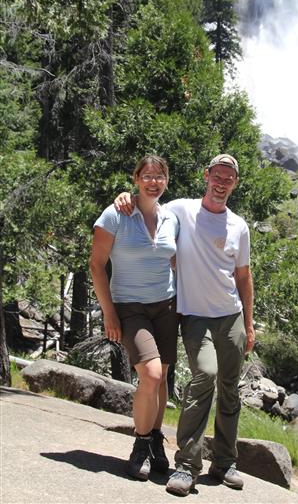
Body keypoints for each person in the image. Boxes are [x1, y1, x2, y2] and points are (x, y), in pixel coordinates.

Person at [114, 154, 255, 496]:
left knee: (230, 388)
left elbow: (243, 276)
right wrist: (126, 197)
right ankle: (187, 465)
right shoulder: (181, 209)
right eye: (217, 176)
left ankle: (225, 462)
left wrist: (249, 325)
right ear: (206, 176)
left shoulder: (238, 226)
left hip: (231, 316)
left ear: (235, 183)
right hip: (195, 316)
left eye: (229, 178)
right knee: (204, 375)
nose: (222, 183)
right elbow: (149, 203)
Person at [90, 155, 179, 482]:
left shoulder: (171, 217)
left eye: (160, 176)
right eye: (148, 176)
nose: (154, 182)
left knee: (162, 376)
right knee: (151, 374)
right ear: (136, 178)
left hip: (166, 305)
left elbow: (174, 261)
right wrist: (109, 312)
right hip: (129, 306)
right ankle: (140, 445)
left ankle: (155, 439)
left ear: (166, 181)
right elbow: (96, 265)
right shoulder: (116, 214)